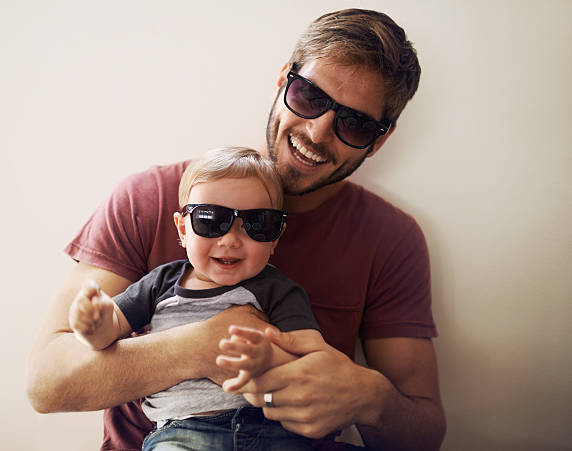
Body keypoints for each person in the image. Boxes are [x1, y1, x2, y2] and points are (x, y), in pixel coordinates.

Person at [26, 8, 446, 451]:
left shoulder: (389, 239)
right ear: (284, 80)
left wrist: (371, 400)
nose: (318, 131)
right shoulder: (148, 197)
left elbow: (422, 433)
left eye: (355, 123)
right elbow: (48, 381)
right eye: (309, 96)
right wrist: (207, 343)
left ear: (379, 139)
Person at [68, 147, 322, 450]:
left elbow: (314, 364)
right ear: (182, 229)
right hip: (182, 432)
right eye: (211, 221)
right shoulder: (160, 284)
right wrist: (92, 324)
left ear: (276, 237)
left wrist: (271, 360)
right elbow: (106, 336)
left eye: (258, 225)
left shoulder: (277, 289)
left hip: (269, 431)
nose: (230, 240)